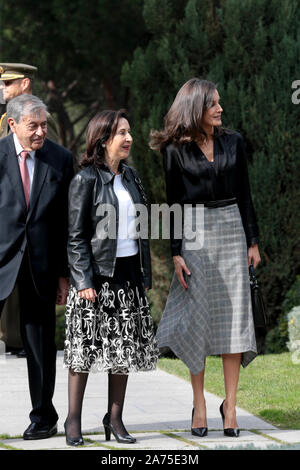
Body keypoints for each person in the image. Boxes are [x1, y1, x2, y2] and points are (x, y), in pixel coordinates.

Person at [150, 78, 261, 438]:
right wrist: (176, 253)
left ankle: (230, 406)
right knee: (197, 316)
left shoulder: (234, 142)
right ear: (196, 107)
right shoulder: (174, 151)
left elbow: (245, 193)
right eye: (213, 103)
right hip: (194, 233)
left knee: (233, 317)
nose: (220, 109)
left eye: (219, 103)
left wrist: (253, 242)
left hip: (231, 228)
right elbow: (172, 205)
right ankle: (199, 404)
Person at [64, 109, 158, 446]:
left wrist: (143, 271)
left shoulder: (131, 177)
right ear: (104, 139)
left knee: (124, 352)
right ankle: (72, 421)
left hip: (128, 277)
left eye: (129, 131)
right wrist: (83, 280)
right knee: (83, 351)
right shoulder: (85, 180)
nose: (128, 138)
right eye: (121, 133)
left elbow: (143, 227)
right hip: (95, 279)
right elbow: (75, 237)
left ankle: (114, 419)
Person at [0, 94, 74, 439]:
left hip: (42, 266)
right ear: (13, 124)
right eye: (34, 125)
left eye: (45, 125)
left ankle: (44, 417)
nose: (42, 132)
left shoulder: (61, 160)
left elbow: (67, 223)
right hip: (1, 260)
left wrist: (64, 273)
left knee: (41, 343)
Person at [0, 63, 60, 356]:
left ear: (24, 84)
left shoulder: (45, 124)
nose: (3, 89)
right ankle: (12, 337)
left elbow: (52, 175)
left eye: (8, 84)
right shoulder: (5, 120)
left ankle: (20, 340)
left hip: (37, 232)